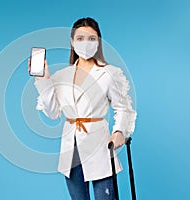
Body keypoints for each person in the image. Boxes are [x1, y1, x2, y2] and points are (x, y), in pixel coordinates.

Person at [28, 17, 137, 200]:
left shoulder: (109, 73)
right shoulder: (62, 76)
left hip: (99, 145)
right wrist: (43, 79)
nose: (85, 43)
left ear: (98, 42)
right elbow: (53, 113)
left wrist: (119, 131)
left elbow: (123, 107)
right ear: (71, 42)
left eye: (91, 38)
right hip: (71, 149)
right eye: (80, 38)